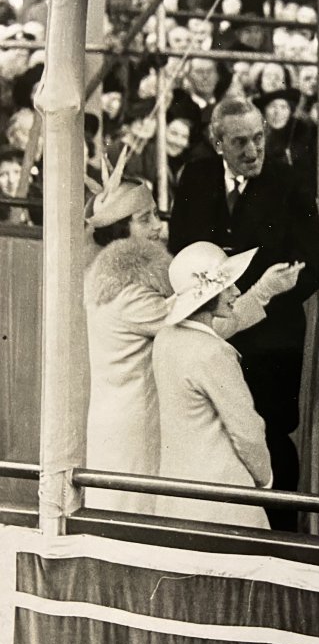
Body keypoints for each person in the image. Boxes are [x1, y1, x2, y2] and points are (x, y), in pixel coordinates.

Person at [83, 157, 301, 512]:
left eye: (155, 214)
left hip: (135, 419)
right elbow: (205, 326)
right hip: (135, 426)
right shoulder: (130, 296)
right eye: (145, 219)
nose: (158, 226)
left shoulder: (119, 285)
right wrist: (261, 291)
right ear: (121, 232)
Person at [168, 97, 319, 530]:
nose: (253, 151)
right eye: (240, 142)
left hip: (274, 340)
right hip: (208, 334)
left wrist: (262, 294)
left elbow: (312, 269)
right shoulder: (196, 177)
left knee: (271, 433)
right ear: (217, 142)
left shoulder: (290, 183)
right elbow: (180, 249)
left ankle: (280, 533)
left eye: (259, 138)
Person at [152, 242, 275, 528]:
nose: (237, 292)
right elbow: (247, 431)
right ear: (207, 295)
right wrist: (265, 479)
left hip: (177, 494)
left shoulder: (165, 339)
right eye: (228, 285)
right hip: (221, 497)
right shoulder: (214, 353)